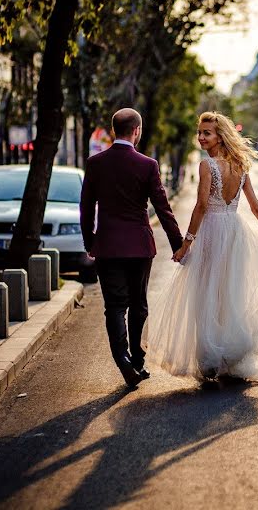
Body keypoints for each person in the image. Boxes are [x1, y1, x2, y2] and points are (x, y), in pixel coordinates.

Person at [143, 111, 258, 384]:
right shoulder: (241, 165)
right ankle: (228, 356)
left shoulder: (207, 165)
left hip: (212, 232)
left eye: (207, 133)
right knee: (228, 294)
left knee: (206, 295)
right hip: (234, 232)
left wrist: (185, 245)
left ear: (220, 136)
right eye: (199, 132)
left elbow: (201, 206)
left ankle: (211, 360)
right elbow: (256, 208)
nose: (201, 137)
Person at [80, 108, 184, 389]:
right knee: (138, 304)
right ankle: (137, 359)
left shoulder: (95, 163)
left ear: (114, 131)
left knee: (114, 306)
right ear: (137, 130)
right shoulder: (147, 164)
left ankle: (124, 360)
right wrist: (179, 245)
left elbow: (87, 207)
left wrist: (90, 241)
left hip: (108, 247)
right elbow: (163, 208)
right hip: (139, 246)